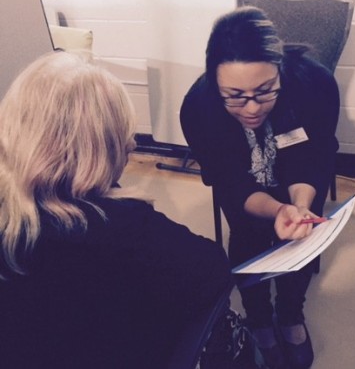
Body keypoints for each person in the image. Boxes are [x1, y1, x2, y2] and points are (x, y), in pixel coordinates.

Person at [0, 51, 234, 369]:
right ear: (100, 145)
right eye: (121, 135)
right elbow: (213, 271)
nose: (131, 145)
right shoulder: (120, 226)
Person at [180, 6, 340, 369]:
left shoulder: (315, 84)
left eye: (265, 91)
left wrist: (297, 204)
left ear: (280, 69)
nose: (251, 108)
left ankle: (290, 315)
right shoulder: (199, 107)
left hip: (294, 173)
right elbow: (233, 183)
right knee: (248, 236)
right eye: (235, 95)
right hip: (245, 189)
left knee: (301, 234)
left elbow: (313, 154)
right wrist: (276, 209)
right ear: (214, 82)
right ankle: (258, 319)